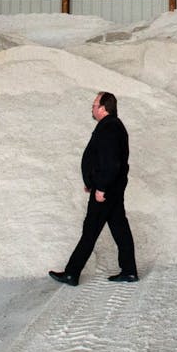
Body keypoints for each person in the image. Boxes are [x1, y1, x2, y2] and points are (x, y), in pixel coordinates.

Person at [49, 91, 138, 286]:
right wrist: (91, 181)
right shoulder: (111, 126)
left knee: (90, 230)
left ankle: (72, 273)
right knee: (120, 228)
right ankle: (129, 270)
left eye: (95, 104)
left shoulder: (110, 128)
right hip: (110, 189)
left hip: (106, 191)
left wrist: (101, 188)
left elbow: (111, 163)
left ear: (104, 108)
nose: (92, 107)